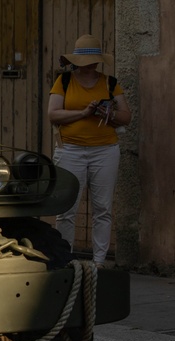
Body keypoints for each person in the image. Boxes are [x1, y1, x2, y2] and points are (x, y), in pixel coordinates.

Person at [47, 34, 132, 266]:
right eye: (87, 61)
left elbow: (126, 117)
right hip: (70, 150)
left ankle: (99, 261)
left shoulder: (109, 83)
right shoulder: (64, 82)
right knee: (66, 208)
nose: (91, 65)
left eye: (94, 60)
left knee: (102, 208)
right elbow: (53, 114)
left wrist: (109, 114)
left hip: (105, 150)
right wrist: (83, 113)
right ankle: (65, 259)